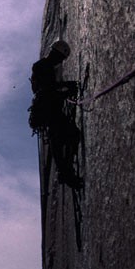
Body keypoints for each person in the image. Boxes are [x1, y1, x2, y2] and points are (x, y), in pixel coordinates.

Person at [29, 40, 83, 189]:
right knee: (68, 137)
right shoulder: (42, 67)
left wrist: (66, 88)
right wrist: (67, 88)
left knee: (65, 138)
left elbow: (49, 90)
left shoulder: (44, 67)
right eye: (60, 58)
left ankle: (65, 172)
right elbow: (49, 90)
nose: (60, 62)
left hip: (49, 111)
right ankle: (66, 174)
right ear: (55, 53)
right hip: (49, 111)